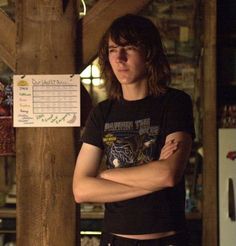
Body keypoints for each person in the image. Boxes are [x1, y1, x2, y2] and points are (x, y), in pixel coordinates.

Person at [73, 14, 195, 246]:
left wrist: (107, 176)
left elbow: (168, 175)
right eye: (112, 50)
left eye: (128, 48)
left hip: (167, 240)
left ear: (148, 53)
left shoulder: (175, 103)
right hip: (115, 241)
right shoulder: (102, 112)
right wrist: (152, 176)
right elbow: (81, 190)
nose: (119, 58)